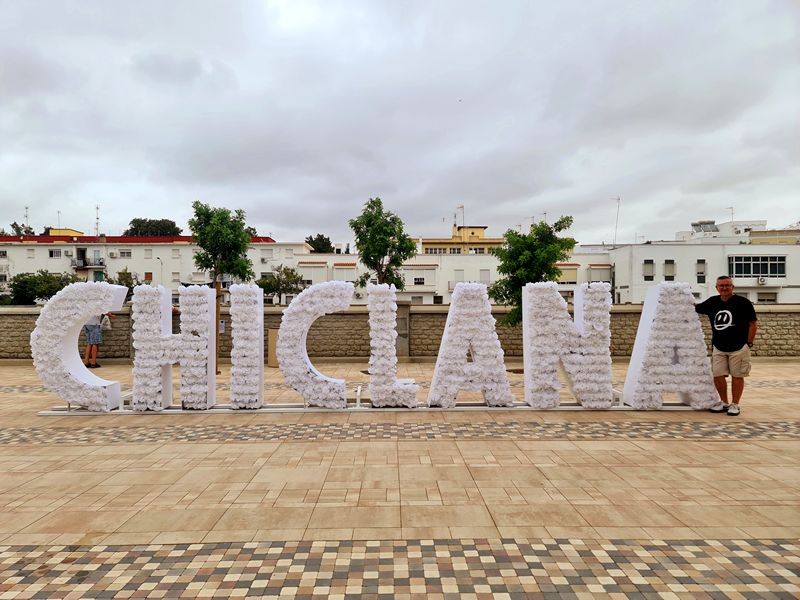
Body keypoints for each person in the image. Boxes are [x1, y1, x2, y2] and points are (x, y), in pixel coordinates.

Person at [695, 275, 757, 416]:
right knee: (717, 375)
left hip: (739, 347)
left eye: (727, 285)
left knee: (737, 376)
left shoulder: (743, 302)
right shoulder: (712, 302)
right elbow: (694, 308)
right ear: (716, 288)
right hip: (719, 346)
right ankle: (724, 402)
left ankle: (735, 404)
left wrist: (749, 343)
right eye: (721, 285)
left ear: (732, 287)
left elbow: (753, 324)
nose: (724, 288)